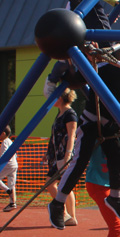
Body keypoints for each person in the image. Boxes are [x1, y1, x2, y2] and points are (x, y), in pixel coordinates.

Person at [48, 43, 120, 230]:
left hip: (107, 124)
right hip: (91, 123)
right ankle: (58, 202)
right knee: (80, 160)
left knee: (117, 156)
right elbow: (80, 78)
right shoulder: (104, 69)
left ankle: (115, 198)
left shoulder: (118, 71)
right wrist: (89, 57)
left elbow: (116, 102)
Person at [43, 88, 79, 226]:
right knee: (62, 184)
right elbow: (54, 136)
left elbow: (72, 135)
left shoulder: (70, 114)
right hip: (56, 155)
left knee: (51, 183)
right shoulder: (60, 114)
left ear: (60, 98)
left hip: (63, 155)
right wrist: (48, 152)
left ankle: (65, 213)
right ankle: (69, 216)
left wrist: (68, 154)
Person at [0, 125, 17, 212]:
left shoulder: (5, 142)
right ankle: (12, 203)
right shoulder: (10, 141)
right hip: (14, 164)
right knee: (11, 184)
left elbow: (5, 154)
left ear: (3, 133)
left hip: (8, 164)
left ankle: (8, 191)